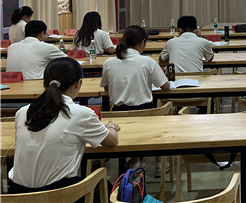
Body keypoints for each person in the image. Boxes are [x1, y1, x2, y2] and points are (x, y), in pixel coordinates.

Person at [8, 57, 119, 200]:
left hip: (17, 195)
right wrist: (111, 126)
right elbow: (111, 141)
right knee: (108, 187)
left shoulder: (23, 112)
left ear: (44, 83)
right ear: (78, 83)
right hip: (60, 195)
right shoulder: (81, 113)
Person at [100, 25, 169, 176]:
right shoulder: (147, 62)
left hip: (117, 115)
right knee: (162, 114)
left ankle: (134, 162)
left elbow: (106, 88)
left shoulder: (109, 63)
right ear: (142, 42)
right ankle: (159, 164)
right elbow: (165, 86)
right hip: (145, 115)